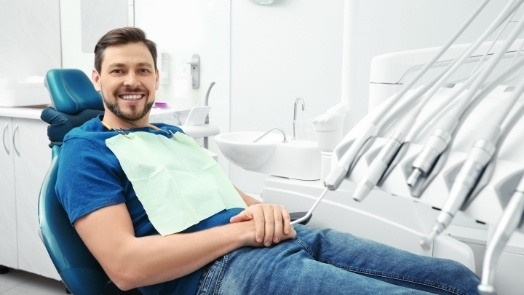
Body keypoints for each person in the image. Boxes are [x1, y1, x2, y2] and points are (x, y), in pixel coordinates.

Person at [56, 26, 480, 295]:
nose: (132, 81)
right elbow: (127, 267)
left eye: (143, 70)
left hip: (285, 239)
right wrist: (240, 235)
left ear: (155, 78)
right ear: (97, 79)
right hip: (221, 272)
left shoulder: (172, 135)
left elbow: (230, 198)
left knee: (457, 278)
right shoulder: (85, 150)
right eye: (117, 71)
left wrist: (267, 211)